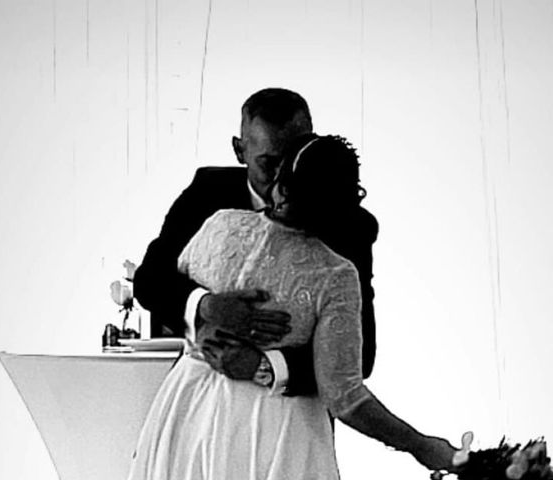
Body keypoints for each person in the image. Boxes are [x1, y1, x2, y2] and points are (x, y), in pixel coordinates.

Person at [127, 135, 459, 480]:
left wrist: (254, 360)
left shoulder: (220, 225)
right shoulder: (334, 274)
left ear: (281, 183)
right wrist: (419, 444)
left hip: (187, 409)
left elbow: (165, 290)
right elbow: (344, 396)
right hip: (277, 430)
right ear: (347, 200)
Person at [133, 88, 378, 395]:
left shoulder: (349, 223)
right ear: (240, 150)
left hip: (293, 416)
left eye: (294, 159)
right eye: (270, 163)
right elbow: (150, 281)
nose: (285, 177)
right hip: (200, 400)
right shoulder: (207, 194)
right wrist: (206, 307)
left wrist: (265, 366)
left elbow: (359, 356)